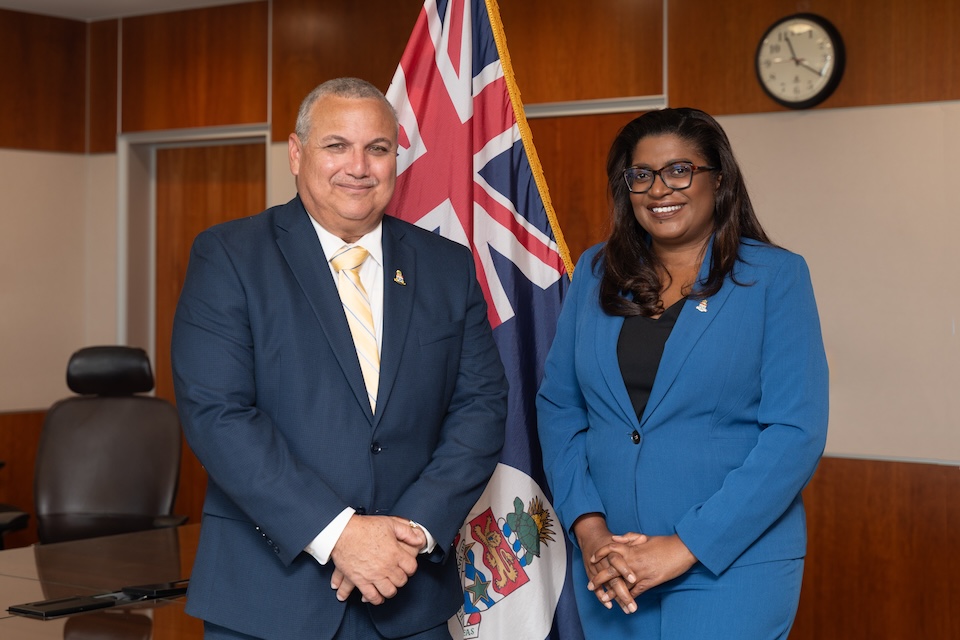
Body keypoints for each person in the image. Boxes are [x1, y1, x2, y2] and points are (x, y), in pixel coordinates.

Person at [171, 77, 508, 640]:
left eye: (377, 148)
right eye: (336, 146)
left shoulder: (446, 265)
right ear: (297, 154)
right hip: (268, 602)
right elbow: (218, 414)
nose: (359, 166)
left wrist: (410, 534)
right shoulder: (229, 256)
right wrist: (340, 534)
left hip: (410, 600)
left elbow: (481, 406)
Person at [536, 108, 828, 639]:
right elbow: (561, 406)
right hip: (612, 567)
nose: (658, 189)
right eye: (640, 175)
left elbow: (795, 434)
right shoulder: (597, 272)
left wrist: (686, 546)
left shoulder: (774, 278)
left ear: (718, 178)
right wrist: (589, 527)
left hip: (731, 563)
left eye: (679, 170)